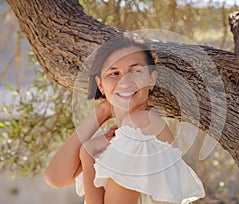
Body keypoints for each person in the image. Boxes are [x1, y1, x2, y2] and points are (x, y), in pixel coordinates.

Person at [43, 33, 205, 204]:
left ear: (152, 79)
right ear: (101, 86)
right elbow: (55, 177)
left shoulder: (140, 125)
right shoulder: (118, 135)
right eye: (114, 73)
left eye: (136, 71)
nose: (125, 82)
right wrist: (100, 113)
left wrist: (87, 153)